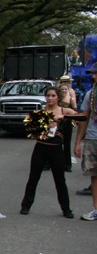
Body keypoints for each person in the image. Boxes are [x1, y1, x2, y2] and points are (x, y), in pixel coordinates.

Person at [19, 86, 77, 218]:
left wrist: (63, 116)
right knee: (33, 177)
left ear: (58, 97)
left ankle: (66, 209)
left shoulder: (64, 110)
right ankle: (26, 206)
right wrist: (45, 125)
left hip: (56, 149)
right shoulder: (40, 113)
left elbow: (82, 117)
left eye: (53, 96)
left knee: (60, 180)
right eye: (48, 95)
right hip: (41, 148)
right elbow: (30, 131)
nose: (50, 98)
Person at [74, 63, 97, 220]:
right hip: (93, 138)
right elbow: (84, 118)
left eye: (96, 73)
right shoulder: (91, 94)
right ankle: (96, 208)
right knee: (94, 175)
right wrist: (78, 143)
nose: (93, 76)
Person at [57, 75, 77, 172]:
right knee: (56, 143)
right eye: (62, 89)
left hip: (67, 123)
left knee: (66, 144)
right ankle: (53, 163)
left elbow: (75, 110)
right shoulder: (57, 99)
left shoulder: (71, 97)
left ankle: (67, 165)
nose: (64, 90)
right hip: (57, 123)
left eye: (66, 89)